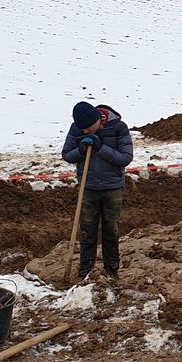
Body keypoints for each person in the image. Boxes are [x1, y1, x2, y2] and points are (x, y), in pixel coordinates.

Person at [62, 101, 134, 281]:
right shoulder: (77, 128)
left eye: (88, 128)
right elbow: (67, 155)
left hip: (112, 189)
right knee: (87, 232)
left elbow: (125, 158)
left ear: (98, 120)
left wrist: (101, 148)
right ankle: (85, 272)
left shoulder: (118, 127)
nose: (84, 131)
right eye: (82, 128)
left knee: (111, 231)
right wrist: (81, 149)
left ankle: (112, 270)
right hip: (88, 187)